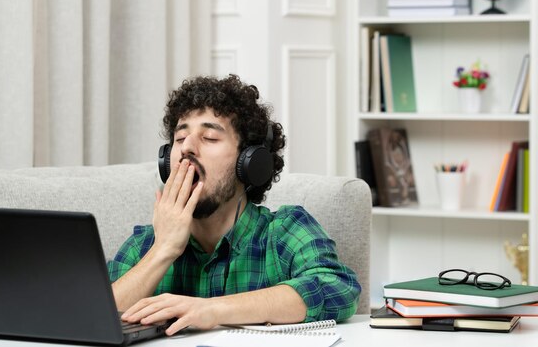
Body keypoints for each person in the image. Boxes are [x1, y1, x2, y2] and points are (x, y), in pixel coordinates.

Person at [107, 74, 361, 335]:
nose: (187, 148)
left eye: (209, 137)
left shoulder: (283, 231)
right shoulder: (146, 245)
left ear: (250, 164)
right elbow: (92, 314)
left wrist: (213, 310)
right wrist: (163, 249)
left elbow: (338, 288)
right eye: (180, 139)